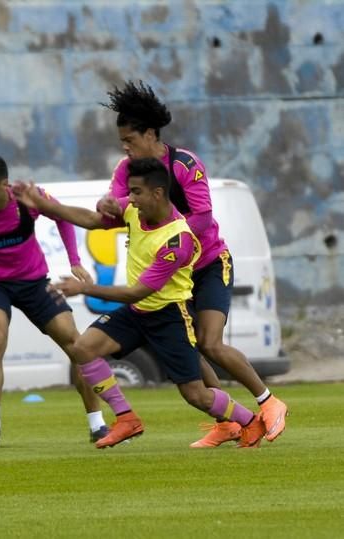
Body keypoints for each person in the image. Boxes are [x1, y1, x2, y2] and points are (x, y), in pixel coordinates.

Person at [15, 158, 267, 449]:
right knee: (83, 348)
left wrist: (84, 288)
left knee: (196, 395)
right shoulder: (134, 211)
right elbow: (90, 220)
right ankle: (126, 418)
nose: (129, 198)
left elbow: (138, 291)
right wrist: (43, 205)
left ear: (157, 194)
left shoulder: (178, 239)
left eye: (135, 192)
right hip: (137, 313)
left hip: (169, 316)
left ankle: (250, 422)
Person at [97, 80, 287, 447]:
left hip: (209, 264)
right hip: (173, 276)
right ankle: (228, 422)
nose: (125, 147)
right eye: (121, 140)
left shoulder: (185, 165)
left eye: (130, 139)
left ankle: (270, 402)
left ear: (151, 134)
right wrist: (106, 207)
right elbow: (120, 208)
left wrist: (168, 239)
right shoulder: (126, 170)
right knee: (190, 347)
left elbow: (200, 219)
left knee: (211, 343)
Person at [0, 154, 108, 447]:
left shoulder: (28, 199)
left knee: (78, 344)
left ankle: (98, 424)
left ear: (4, 185)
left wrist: (74, 260)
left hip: (34, 283)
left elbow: (61, 216)